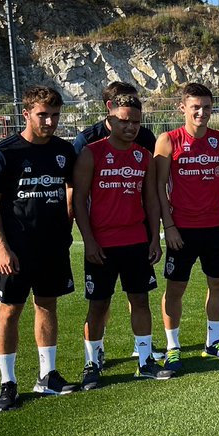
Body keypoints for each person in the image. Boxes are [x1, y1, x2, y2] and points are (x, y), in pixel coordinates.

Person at [0, 86, 79, 411]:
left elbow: (70, 192)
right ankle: (7, 382)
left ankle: (47, 376)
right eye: (42, 115)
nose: (50, 121)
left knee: (47, 306)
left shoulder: (65, 151)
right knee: (9, 311)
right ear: (26, 114)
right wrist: (1, 248)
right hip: (16, 251)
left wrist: (65, 230)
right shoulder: (3, 153)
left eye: (54, 115)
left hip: (52, 249)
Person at [72, 90, 172, 390]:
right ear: (110, 119)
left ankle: (145, 361)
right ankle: (92, 363)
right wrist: (88, 241)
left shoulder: (144, 155)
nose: (131, 128)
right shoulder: (91, 153)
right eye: (125, 121)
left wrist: (155, 239)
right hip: (102, 245)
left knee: (140, 301)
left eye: (136, 123)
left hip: (136, 242)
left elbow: (152, 200)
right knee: (98, 305)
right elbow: (78, 200)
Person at [153, 83, 219, 373]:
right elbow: (158, 188)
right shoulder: (169, 140)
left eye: (207, 107)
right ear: (182, 107)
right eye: (196, 106)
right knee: (176, 287)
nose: (202, 112)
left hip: (214, 226)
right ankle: (173, 346)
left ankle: (214, 341)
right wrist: (168, 225)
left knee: (218, 282)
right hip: (181, 228)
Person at [72, 81, 157, 155]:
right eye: (127, 101)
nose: (133, 105)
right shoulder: (87, 140)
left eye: (135, 102)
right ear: (110, 105)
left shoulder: (146, 137)